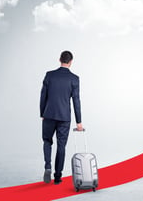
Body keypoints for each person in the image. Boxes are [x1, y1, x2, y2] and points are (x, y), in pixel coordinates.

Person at [40, 51, 83, 185]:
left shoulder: (49, 75)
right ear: (71, 62)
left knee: (47, 141)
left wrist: (42, 113)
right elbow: (76, 101)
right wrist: (79, 121)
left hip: (49, 115)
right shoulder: (74, 79)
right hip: (64, 117)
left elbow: (43, 96)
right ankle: (57, 176)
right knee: (61, 146)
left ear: (59, 59)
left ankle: (48, 166)